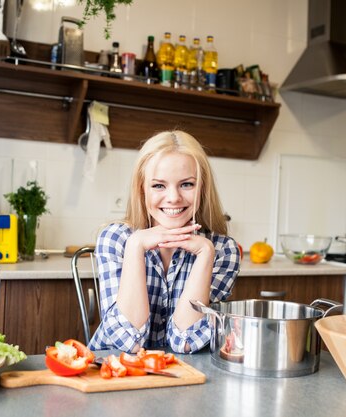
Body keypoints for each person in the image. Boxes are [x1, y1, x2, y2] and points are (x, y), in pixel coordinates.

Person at [88, 130, 241, 354]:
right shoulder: (117, 239)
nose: (173, 198)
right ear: (142, 190)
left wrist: (206, 254)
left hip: (184, 377)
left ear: (203, 189)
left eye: (187, 184)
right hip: (113, 371)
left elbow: (186, 342)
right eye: (159, 185)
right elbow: (127, 342)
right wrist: (136, 247)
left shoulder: (222, 251)